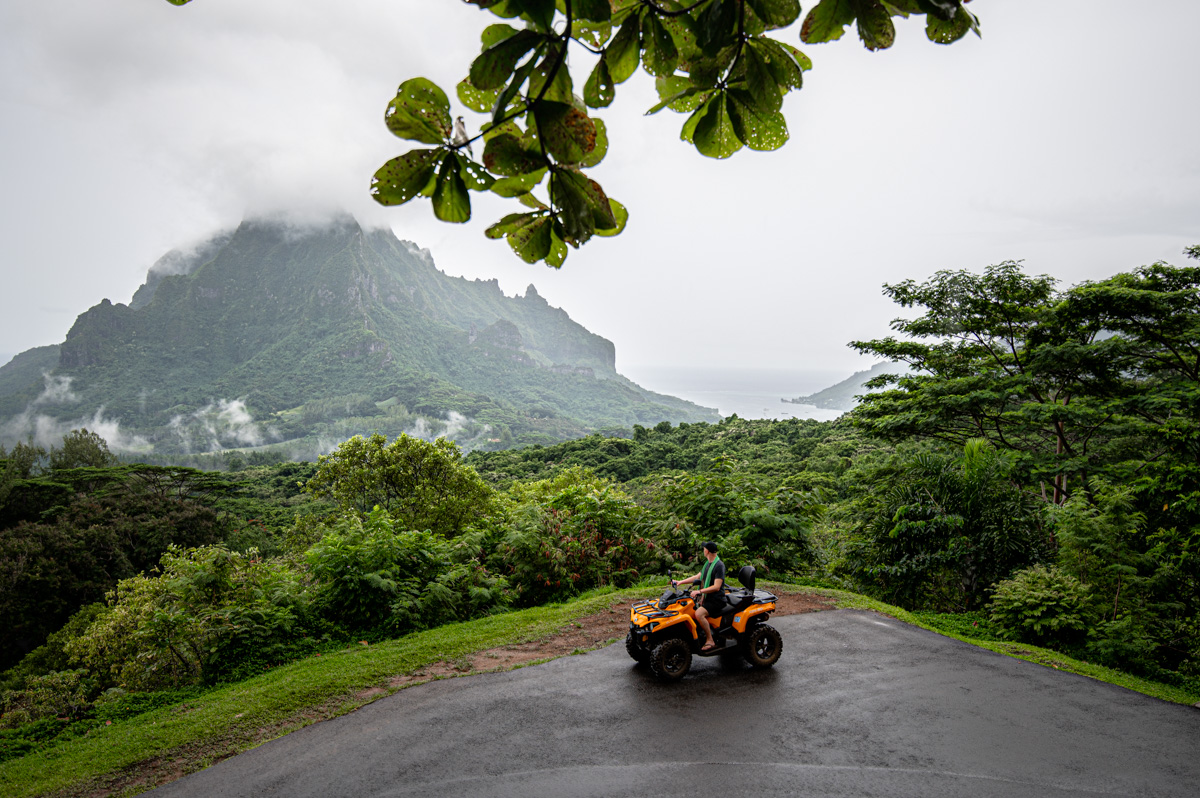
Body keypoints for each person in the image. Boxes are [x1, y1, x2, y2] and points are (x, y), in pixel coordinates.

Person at [672, 541, 725, 652]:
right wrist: (680, 582)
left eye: (704, 549)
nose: (703, 550)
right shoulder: (708, 564)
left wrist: (700, 591)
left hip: (716, 600)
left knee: (698, 614)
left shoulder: (719, 565)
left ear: (707, 551)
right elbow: (698, 577)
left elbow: (717, 587)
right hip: (707, 598)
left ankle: (710, 640)